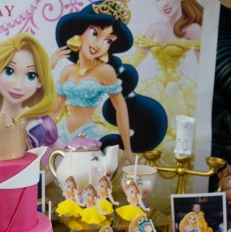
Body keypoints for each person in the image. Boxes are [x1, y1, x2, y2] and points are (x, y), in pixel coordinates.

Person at [52, 0, 167, 164]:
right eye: (95, 33)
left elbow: (120, 108)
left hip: (87, 135)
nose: (99, 44)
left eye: (108, 40)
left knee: (83, 176)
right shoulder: (68, 71)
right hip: (62, 132)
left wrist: (127, 148)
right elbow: (55, 108)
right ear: (80, 32)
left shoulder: (105, 72)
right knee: (58, 175)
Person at [125, 0, 203, 131]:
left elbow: (203, 62)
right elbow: (136, 58)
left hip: (179, 89)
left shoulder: (193, 29)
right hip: (155, 86)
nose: (164, 4)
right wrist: (110, 62)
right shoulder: (155, 28)